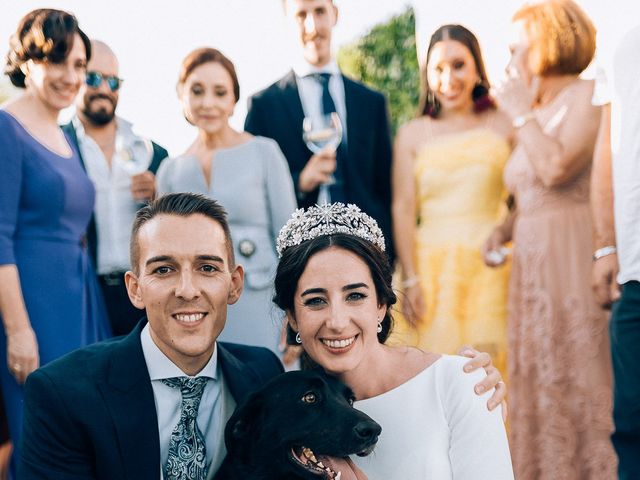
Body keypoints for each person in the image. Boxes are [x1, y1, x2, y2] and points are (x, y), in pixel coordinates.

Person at [20, 193, 284, 479]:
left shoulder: (264, 376)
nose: (187, 290)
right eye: (164, 269)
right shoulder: (62, 395)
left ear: (234, 285)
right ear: (135, 289)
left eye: (207, 268)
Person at [273, 203, 513, 479]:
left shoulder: (460, 382)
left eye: (355, 296)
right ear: (292, 317)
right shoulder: (284, 414)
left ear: (381, 305)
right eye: (316, 301)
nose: (337, 322)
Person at [486, 0, 617, 477]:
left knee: (578, 369)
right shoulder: (536, 110)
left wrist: (521, 113)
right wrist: (501, 230)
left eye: (519, 46)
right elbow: (527, 190)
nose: (512, 58)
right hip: (531, 268)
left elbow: (558, 167)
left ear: (552, 40)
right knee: (539, 371)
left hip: (572, 255)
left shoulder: (588, 94)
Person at [0, 9, 111, 474]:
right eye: (59, 62)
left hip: (80, 300)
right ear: (27, 61)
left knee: (84, 431)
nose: (71, 77)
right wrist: (19, 330)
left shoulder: (66, 134)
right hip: (34, 307)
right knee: (42, 434)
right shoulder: (6, 127)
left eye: (80, 65)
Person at [156, 47, 297, 362]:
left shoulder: (265, 152)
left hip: (262, 300)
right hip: (195, 307)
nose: (208, 103)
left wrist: (294, 312)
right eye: (197, 91)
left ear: (234, 100)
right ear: (181, 95)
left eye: (220, 92)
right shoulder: (169, 170)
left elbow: (292, 243)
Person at [391, 24, 512, 376]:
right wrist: (411, 280)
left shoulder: (505, 123)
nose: (448, 78)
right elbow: (403, 208)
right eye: (438, 69)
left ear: (477, 67)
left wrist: (505, 229)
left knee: (492, 371)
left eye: (458, 65)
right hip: (431, 271)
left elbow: (528, 195)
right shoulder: (412, 133)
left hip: (491, 267)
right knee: (435, 370)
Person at [244, 0, 394, 259]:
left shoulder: (371, 102)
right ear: (287, 22)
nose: (313, 26)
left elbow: (385, 186)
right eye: (301, 15)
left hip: (367, 251)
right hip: (297, 255)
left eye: (320, 12)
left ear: (334, 14)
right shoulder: (263, 106)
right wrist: (299, 182)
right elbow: (251, 190)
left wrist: (388, 255)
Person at [62, 40, 169, 336]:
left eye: (114, 81)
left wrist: (158, 197)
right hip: (82, 290)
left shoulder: (153, 154)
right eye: (94, 78)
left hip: (141, 293)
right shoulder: (57, 146)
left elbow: (174, 227)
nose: (104, 89)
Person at [591, 25, 640, 479]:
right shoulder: (619, 29)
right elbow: (608, 143)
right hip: (635, 272)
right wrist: (606, 243)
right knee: (630, 426)